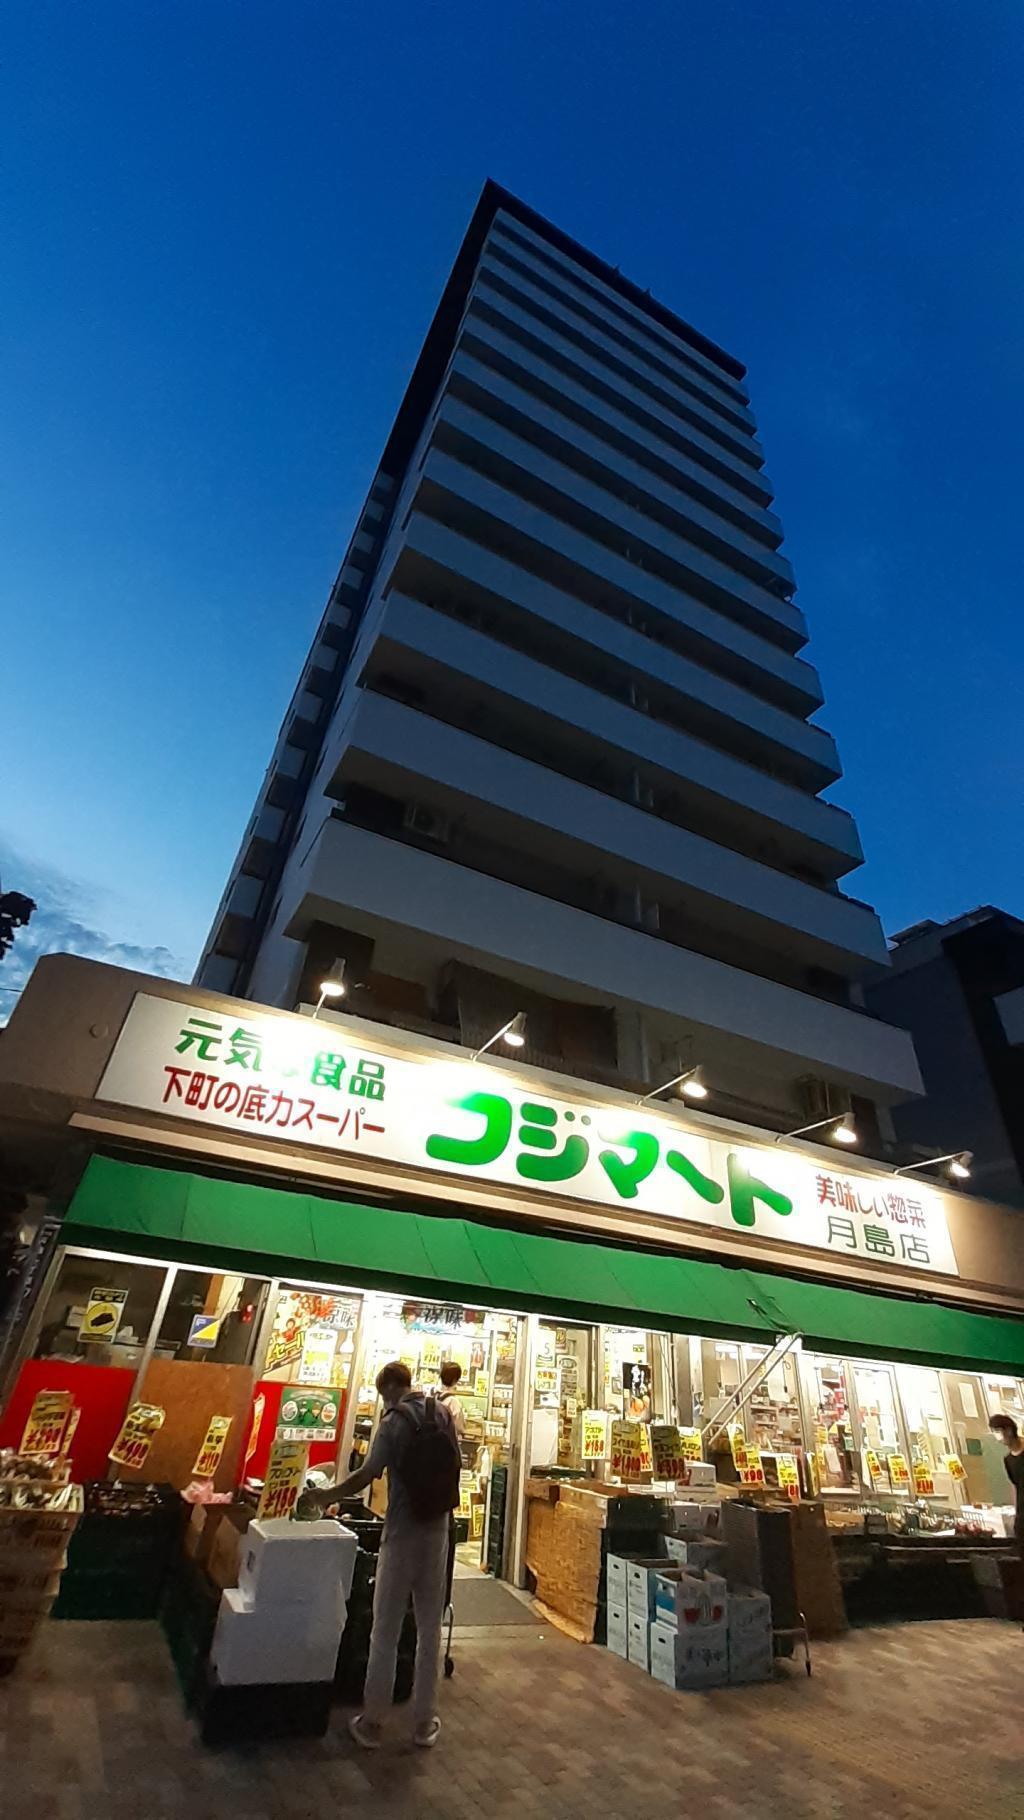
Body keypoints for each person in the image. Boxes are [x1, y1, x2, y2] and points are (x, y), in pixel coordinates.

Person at [310, 1361, 460, 1752]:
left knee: (386, 1629)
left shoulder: (393, 1421)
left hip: (402, 1532)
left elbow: (367, 1474)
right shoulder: (442, 1413)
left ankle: (374, 1721)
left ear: (389, 1388)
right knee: (429, 1629)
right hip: (438, 1533)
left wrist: (325, 1497)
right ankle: (425, 1723)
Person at [989, 1412, 1024, 1545]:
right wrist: (1016, 1513)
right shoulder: (1008, 1460)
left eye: (998, 1431)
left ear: (1009, 1430)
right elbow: (1015, 1486)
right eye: (994, 1432)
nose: (997, 1437)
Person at [437, 1360, 466, 1438]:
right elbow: (459, 1428)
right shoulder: (453, 1402)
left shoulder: (433, 1395)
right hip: (447, 1443)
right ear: (455, 1379)